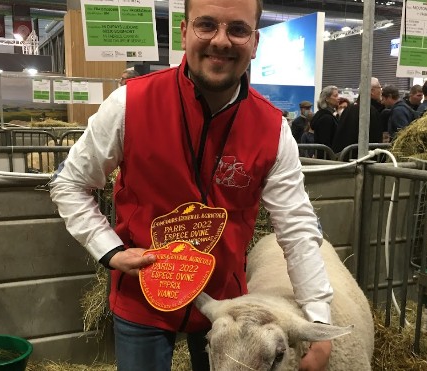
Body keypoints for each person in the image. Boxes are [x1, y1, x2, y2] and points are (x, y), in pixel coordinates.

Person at [49, 0, 334, 370]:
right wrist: (110, 251)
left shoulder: (272, 129)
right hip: (143, 295)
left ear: (255, 41)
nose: (221, 41)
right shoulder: (129, 104)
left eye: (237, 29)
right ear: (184, 31)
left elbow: (296, 227)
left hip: (226, 307)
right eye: (207, 25)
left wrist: (319, 320)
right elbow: (70, 183)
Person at [331, 77, 384, 155]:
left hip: (345, 157)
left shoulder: (349, 109)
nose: (381, 90)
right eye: (380, 87)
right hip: (363, 158)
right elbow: (375, 138)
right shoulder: (370, 111)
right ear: (372, 91)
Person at [310, 85, 339, 159]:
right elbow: (325, 142)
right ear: (327, 99)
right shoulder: (326, 118)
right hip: (326, 158)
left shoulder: (326, 116)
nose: (338, 98)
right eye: (335, 96)